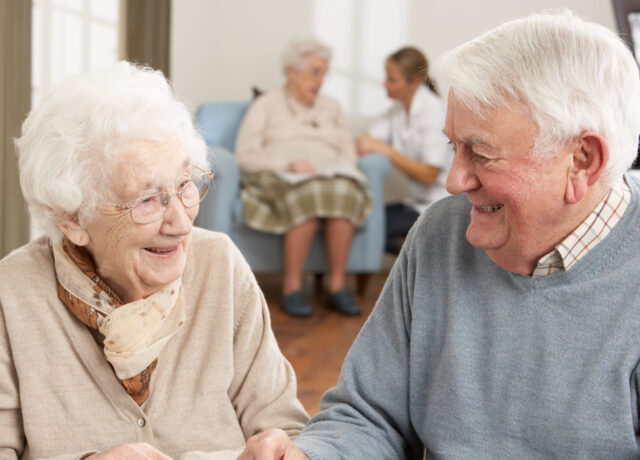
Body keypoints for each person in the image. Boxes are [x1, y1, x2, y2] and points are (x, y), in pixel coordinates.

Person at [238, 9, 640, 459]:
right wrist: (313, 456)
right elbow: (371, 416)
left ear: (583, 160)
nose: (453, 181)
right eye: (454, 146)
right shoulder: (441, 232)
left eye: (481, 153)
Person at [0, 61, 308, 459]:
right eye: (147, 200)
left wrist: (287, 450)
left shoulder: (220, 267)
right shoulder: (13, 294)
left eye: (184, 186)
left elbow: (286, 427)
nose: (181, 223)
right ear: (73, 219)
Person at [235, 39, 371, 317]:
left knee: (343, 192)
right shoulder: (266, 104)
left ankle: (336, 287)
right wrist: (287, 164)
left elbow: (348, 153)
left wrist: (343, 170)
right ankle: (292, 288)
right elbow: (244, 155)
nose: (321, 80)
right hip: (282, 175)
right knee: (307, 194)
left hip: (329, 175)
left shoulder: (332, 107)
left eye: (324, 72)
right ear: (292, 72)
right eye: (315, 72)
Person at [357, 47, 451, 254]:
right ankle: (409, 252)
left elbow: (428, 175)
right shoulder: (398, 109)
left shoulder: (433, 111)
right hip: (417, 202)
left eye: (392, 79)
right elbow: (366, 141)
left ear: (414, 82)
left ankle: (410, 253)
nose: (385, 84)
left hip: (441, 203)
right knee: (361, 218)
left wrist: (386, 150)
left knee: (371, 228)